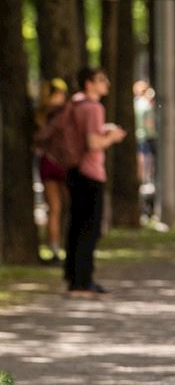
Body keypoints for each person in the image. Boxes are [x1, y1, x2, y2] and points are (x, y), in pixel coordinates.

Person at [60, 67, 127, 297]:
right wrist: (112, 137)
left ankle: (74, 277)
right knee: (90, 228)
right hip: (90, 172)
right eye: (101, 80)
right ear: (89, 84)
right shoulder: (94, 107)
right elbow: (93, 143)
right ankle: (83, 282)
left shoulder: (75, 105)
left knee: (76, 226)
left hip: (73, 170)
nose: (106, 83)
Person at [33, 78, 71, 263]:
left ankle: (56, 247)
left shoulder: (41, 114)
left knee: (56, 209)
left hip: (48, 162)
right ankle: (58, 248)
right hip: (60, 163)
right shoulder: (61, 114)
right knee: (58, 208)